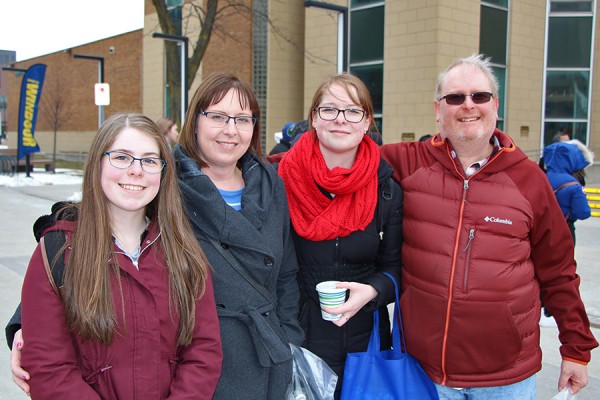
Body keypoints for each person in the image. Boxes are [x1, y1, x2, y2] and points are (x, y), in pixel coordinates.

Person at [379, 54, 598, 398]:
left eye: (479, 96)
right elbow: (337, 157)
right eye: (455, 98)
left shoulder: (530, 180)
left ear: (495, 105)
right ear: (438, 109)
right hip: (424, 371)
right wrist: (263, 166)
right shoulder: (407, 162)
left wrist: (575, 349)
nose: (468, 106)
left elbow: (559, 272)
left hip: (505, 378)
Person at [17, 113, 223, 398]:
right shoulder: (58, 252)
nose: (136, 171)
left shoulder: (184, 251)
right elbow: (49, 367)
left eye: (150, 160)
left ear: (163, 174)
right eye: (122, 157)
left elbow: (204, 352)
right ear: (97, 164)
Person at [173, 73, 304, 399]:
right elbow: (93, 234)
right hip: (196, 362)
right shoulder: (166, 184)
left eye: (242, 119)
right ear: (195, 121)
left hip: (266, 356)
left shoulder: (270, 184)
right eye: (217, 116)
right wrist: (24, 328)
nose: (230, 130)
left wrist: (289, 337)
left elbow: (286, 272)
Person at [277, 73, 403, 399]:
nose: (340, 120)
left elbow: (395, 269)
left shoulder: (386, 189)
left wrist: (372, 291)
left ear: (366, 123)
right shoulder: (280, 182)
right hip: (297, 343)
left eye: (352, 111)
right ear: (314, 120)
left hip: (366, 346)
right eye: (329, 109)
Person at [543, 140, 593, 244]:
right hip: (564, 230)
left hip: (541, 231)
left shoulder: (539, 178)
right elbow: (583, 213)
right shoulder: (573, 185)